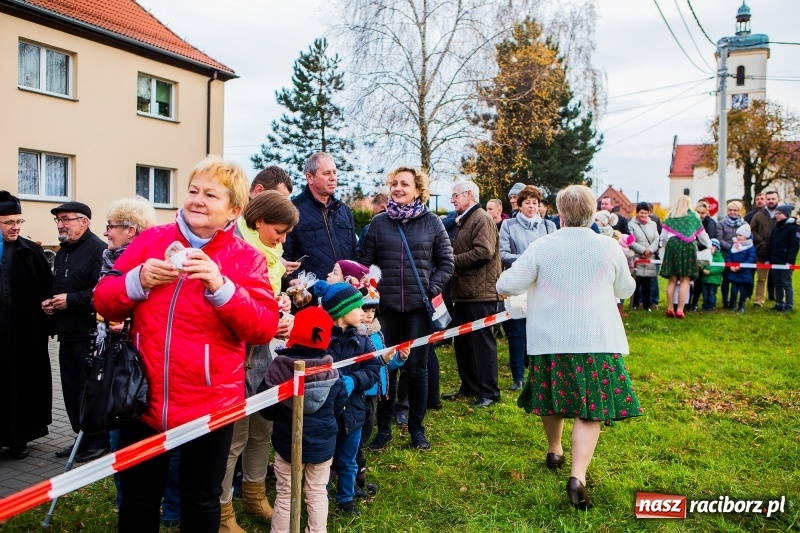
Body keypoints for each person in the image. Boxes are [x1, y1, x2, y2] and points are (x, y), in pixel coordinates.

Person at [94, 156, 280, 533]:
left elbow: (263, 328)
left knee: (201, 500)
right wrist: (137, 280)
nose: (197, 199)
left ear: (234, 210)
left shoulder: (246, 258)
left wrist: (221, 286)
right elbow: (103, 300)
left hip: (210, 404)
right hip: (143, 400)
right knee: (138, 500)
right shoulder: (151, 240)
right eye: (194, 191)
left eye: (211, 194)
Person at [496, 185, 641, 510]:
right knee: (591, 409)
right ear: (592, 213)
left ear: (560, 214)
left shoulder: (542, 246)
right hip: (597, 340)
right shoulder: (609, 246)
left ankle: (554, 449)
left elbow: (506, 284)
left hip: (551, 339)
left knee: (554, 396)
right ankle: (577, 476)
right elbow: (626, 289)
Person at [220, 189, 299, 532]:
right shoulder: (235, 251)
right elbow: (231, 308)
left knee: (262, 430)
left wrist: (279, 306)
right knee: (234, 438)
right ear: (259, 221)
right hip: (237, 358)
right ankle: (222, 513)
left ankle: (254, 495)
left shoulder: (270, 254)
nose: (283, 240)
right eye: (279, 232)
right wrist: (267, 322)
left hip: (263, 354)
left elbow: (262, 298)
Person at [359, 166, 454, 451]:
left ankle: (417, 429)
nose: (398, 188)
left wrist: (429, 288)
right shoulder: (379, 223)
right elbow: (364, 264)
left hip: (417, 311)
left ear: (417, 190)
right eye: (394, 184)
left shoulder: (432, 223)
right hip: (386, 312)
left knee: (417, 369)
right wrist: (373, 292)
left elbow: (447, 262)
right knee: (387, 369)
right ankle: (383, 430)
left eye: (404, 184)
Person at [259, 306, 348, 533]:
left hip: (287, 444)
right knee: (317, 492)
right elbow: (339, 405)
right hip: (322, 445)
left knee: (285, 493)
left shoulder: (278, 369)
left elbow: (266, 410)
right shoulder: (332, 372)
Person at [97, 196, 160, 513]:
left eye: (111, 226)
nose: (106, 232)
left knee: (124, 433)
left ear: (130, 230)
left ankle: (137, 502)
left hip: (133, 363)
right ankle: (128, 500)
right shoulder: (109, 259)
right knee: (118, 434)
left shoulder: (146, 265)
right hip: (112, 355)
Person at [43, 200, 108, 462]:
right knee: (71, 391)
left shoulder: (98, 250)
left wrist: (71, 300)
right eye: (58, 220)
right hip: (67, 333)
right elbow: (61, 286)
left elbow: (102, 293)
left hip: (89, 335)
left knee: (89, 391)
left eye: (66, 219)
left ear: (84, 222)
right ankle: (80, 438)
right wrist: (51, 302)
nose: (61, 225)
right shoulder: (63, 252)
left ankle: (98, 441)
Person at [312, 281, 381, 516]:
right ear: (342, 311)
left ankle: (346, 497)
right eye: (358, 308)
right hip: (327, 415)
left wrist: (354, 380)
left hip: (353, 412)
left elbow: (373, 369)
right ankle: (320, 497)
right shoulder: (320, 341)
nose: (363, 313)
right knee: (324, 460)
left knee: (349, 458)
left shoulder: (363, 340)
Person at [0, 191, 53, 460]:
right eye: (9, 222)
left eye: (19, 221)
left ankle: (18, 439)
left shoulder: (31, 251)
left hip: (23, 336)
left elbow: (47, 289)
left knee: (20, 388)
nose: (16, 227)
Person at [445, 181, 502, 408]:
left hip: (481, 294)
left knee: (482, 344)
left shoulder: (481, 218)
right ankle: (469, 387)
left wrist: (452, 261)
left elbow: (484, 252)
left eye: (455, 195)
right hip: (464, 292)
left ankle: (489, 392)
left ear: (469, 194)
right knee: (463, 343)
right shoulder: (465, 220)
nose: (452, 200)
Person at [356, 272, 409, 497]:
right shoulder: (357, 336)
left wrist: (399, 358)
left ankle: (356, 474)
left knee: (365, 433)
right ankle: (355, 477)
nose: (369, 316)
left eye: (372, 312)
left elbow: (384, 365)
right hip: (359, 393)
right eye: (365, 311)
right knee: (357, 438)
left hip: (373, 393)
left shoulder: (377, 334)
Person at [498, 185, 556, 390]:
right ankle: (518, 376)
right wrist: (528, 261)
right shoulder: (508, 225)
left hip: (543, 284)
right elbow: (503, 254)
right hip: (519, 281)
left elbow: (554, 253)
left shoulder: (549, 226)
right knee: (517, 330)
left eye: (535, 203)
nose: (532, 206)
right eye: (527, 203)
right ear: (520, 205)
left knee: (541, 328)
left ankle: (541, 373)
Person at [283, 152, 357, 280]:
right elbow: (284, 259)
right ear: (309, 178)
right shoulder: (291, 210)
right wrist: (296, 282)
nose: (333, 178)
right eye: (327, 173)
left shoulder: (344, 211)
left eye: (335, 172)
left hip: (345, 289)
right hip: (310, 290)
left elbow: (355, 253)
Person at [660, 195, 711, 318]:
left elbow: (662, 237)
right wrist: (710, 245)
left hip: (672, 246)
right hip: (688, 247)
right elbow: (702, 235)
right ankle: (680, 310)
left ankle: (670, 308)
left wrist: (663, 246)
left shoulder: (670, 216)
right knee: (685, 280)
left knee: (672, 280)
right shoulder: (694, 216)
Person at [750, 190, 781, 307]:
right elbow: (752, 230)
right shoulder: (758, 215)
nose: (771, 201)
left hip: (778, 252)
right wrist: (761, 242)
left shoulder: (782, 214)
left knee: (778, 278)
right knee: (761, 278)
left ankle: (779, 300)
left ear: (778, 200)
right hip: (762, 251)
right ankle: (759, 300)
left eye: (773, 199)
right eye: (769, 199)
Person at [628, 202, 659, 312]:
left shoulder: (653, 224)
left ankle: (647, 304)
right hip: (637, 256)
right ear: (637, 212)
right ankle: (635, 304)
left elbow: (656, 239)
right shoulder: (631, 224)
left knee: (648, 282)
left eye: (646, 213)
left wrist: (649, 250)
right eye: (642, 213)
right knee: (637, 282)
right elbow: (630, 241)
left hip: (649, 256)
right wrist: (642, 250)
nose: (644, 215)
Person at [766, 204, 798, 312]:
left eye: (779, 213)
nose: (777, 215)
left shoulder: (793, 228)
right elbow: (770, 244)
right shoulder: (776, 227)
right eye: (776, 214)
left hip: (786, 262)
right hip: (775, 260)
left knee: (786, 283)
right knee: (777, 283)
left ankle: (789, 304)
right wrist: (768, 259)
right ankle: (779, 303)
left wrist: (790, 261)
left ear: (786, 214)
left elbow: (794, 246)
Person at [716, 201, 745, 309]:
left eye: (735, 210)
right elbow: (719, 238)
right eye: (730, 210)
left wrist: (739, 248)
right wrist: (731, 247)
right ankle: (725, 301)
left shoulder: (744, 224)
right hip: (725, 254)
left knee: (737, 279)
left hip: (740, 254)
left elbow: (747, 238)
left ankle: (735, 301)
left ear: (739, 211)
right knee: (726, 279)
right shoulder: (721, 224)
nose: (732, 212)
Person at [724, 223, 756, 312]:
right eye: (737, 234)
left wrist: (741, 266)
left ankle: (741, 305)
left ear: (746, 236)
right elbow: (729, 257)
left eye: (740, 235)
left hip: (744, 273)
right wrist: (730, 265)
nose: (738, 236)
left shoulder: (751, 247)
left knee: (743, 291)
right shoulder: (734, 246)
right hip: (734, 272)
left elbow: (751, 259)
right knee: (733, 290)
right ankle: (732, 305)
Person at [699, 239, 725, 312]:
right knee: (705, 293)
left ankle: (711, 306)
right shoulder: (706, 256)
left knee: (711, 293)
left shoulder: (719, 257)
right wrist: (703, 269)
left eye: (712, 246)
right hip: (705, 279)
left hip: (714, 280)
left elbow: (720, 268)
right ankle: (705, 306)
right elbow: (702, 263)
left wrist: (710, 271)